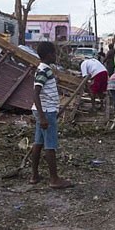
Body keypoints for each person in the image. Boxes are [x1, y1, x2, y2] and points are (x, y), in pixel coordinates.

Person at [28, 41, 73, 189]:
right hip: (46, 112)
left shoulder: (45, 69)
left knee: (38, 142)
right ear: (48, 55)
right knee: (50, 145)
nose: (56, 56)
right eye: (54, 53)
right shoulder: (43, 70)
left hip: (45, 111)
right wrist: (42, 117)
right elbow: (35, 93)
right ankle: (54, 179)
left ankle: (34, 176)